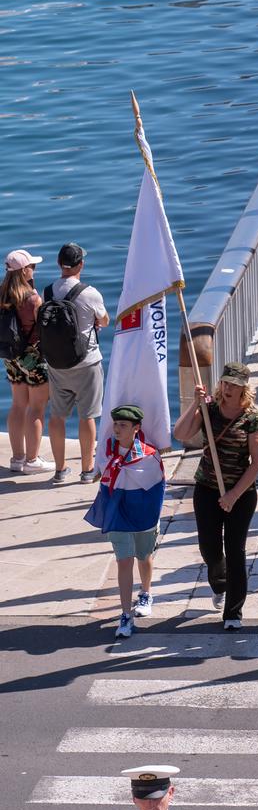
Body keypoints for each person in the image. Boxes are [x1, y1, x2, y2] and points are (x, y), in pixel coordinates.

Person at [172, 361, 258, 630]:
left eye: (233, 385)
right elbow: (180, 433)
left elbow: (257, 462)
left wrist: (234, 495)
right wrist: (194, 404)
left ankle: (233, 613)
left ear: (243, 389)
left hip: (240, 493)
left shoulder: (252, 418)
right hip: (207, 489)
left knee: (235, 551)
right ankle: (219, 582)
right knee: (209, 548)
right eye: (225, 383)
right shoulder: (209, 408)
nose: (227, 389)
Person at [86, 405, 165, 640]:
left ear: (136, 428)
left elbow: (156, 488)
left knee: (144, 556)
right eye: (116, 424)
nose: (117, 429)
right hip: (118, 513)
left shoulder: (150, 455)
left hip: (142, 514)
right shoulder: (107, 450)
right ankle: (125, 614)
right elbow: (103, 473)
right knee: (123, 562)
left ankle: (146, 593)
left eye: (123, 425)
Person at [40, 241, 109, 485]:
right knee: (87, 416)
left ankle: (60, 471)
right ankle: (87, 470)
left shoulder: (47, 292)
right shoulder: (90, 293)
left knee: (57, 416)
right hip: (87, 363)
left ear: (59, 264)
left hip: (57, 364)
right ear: (81, 264)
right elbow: (105, 320)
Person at [1, 247, 48, 474]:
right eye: (32, 267)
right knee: (37, 408)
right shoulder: (32, 298)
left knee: (18, 405)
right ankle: (32, 460)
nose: (34, 270)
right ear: (24, 270)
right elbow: (42, 329)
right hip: (33, 357)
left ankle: (17, 458)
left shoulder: (2, 295)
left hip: (11, 357)